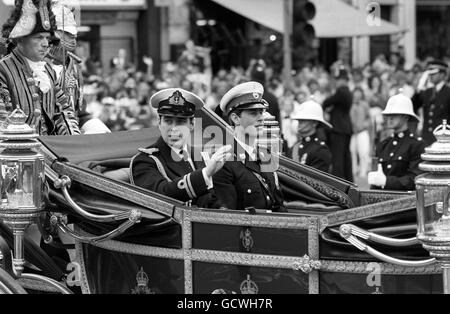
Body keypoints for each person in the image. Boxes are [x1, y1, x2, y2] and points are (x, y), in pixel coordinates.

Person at [130, 88, 231, 208]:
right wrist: (205, 174)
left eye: (180, 122)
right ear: (159, 122)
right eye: (168, 121)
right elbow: (160, 195)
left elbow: (210, 201)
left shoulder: (198, 155)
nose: (174, 128)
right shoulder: (145, 160)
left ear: (192, 124)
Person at [0, 0, 80, 135]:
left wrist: (74, 141)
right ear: (20, 39)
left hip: (49, 151)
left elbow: (63, 113)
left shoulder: (48, 71)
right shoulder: (3, 70)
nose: (45, 44)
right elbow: (2, 121)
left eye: (47, 38)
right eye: (38, 37)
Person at [213, 81, 286, 212]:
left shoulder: (265, 155)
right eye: (253, 113)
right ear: (236, 118)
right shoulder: (225, 160)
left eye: (261, 112)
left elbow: (278, 205)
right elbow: (228, 218)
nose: (261, 118)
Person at [47, 0, 110, 134]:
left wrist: (95, 125)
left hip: (73, 135)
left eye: (74, 35)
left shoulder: (75, 67)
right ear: (53, 34)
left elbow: (79, 111)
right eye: (68, 35)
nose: (73, 39)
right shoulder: (38, 67)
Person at [368, 93, 426, 191]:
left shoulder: (417, 145)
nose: (390, 118)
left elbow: (415, 180)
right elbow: (376, 181)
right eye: (388, 114)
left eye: (395, 114)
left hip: (405, 202)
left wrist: (387, 181)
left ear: (406, 117)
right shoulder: (383, 145)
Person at [323, 66, 353, 182]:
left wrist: (327, 106)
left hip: (339, 128)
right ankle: (349, 179)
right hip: (345, 128)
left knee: (338, 158)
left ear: (344, 80)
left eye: (339, 79)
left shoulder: (341, 92)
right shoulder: (347, 92)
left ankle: (338, 181)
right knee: (346, 157)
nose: (337, 81)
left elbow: (327, 102)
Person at [412, 60, 450, 146]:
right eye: (430, 74)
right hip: (427, 138)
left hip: (444, 139)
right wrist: (418, 89)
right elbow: (413, 107)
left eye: (434, 73)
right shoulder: (427, 92)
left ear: (442, 74)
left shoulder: (448, 92)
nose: (430, 76)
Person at [288, 99, 332, 173]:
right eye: (299, 120)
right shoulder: (296, 146)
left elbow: (314, 181)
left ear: (314, 123)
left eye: (303, 120)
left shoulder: (321, 150)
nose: (299, 123)